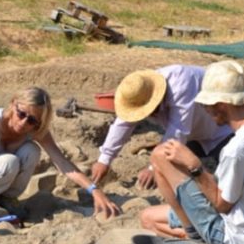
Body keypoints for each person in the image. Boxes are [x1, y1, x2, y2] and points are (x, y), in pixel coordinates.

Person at [138, 60, 244, 244]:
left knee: (160, 155)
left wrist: (195, 166)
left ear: (221, 105)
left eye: (207, 105)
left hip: (228, 232)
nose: (205, 111)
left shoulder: (238, 149)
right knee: (148, 219)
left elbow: (222, 204)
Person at [0, 87, 120, 232]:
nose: (24, 122)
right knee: (9, 163)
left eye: (32, 120)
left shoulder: (37, 131)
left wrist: (95, 190)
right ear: (13, 104)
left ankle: (7, 199)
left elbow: (63, 163)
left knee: (32, 151)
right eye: (21, 114)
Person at [91, 65, 235, 188]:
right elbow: (123, 124)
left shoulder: (181, 84)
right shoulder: (140, 92)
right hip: (194, 135)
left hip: (222, 131)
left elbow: (178, 132)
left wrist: (153, 167)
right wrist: (104, 160)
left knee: (220, 174)